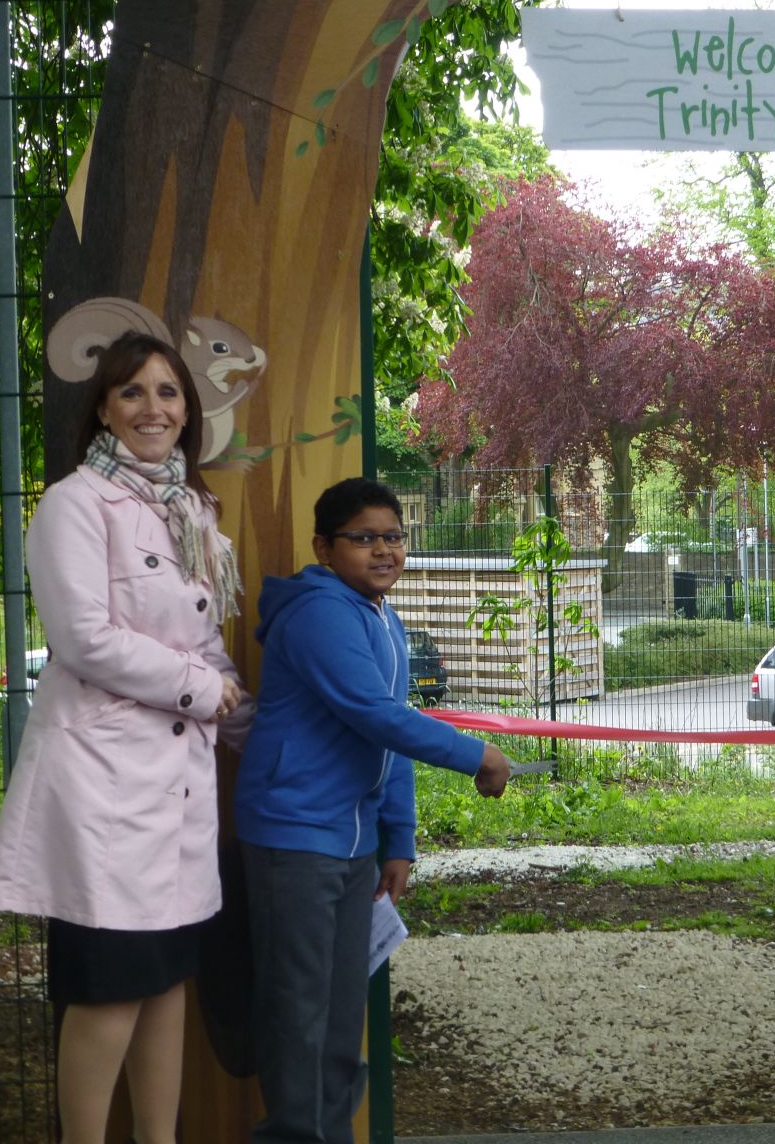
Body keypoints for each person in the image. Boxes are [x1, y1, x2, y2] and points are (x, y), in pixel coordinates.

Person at [0, 331, 251, 1144]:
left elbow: (203, 643)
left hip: (175, 789)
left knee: (168, 983)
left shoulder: (191, 509)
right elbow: (84, 640)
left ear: (187, 412)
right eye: (132, 392)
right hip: (102, 785)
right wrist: (208, 691)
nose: (152, 408)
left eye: (168, 393)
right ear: (102, 407)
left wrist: (242, 715)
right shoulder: (72, 503)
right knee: (110, 990)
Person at [234, 477, 512, 1144]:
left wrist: (399, 840)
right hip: (295, 838)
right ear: (324, 548)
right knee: (299, 1010)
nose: (383, 550)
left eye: (394, 536)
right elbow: (375, 715)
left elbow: (388, 730)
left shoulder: (380, 617)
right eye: (364, 538)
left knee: (338, 1015)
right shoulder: (320, 613)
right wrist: (478, 755)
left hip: (352, 845)